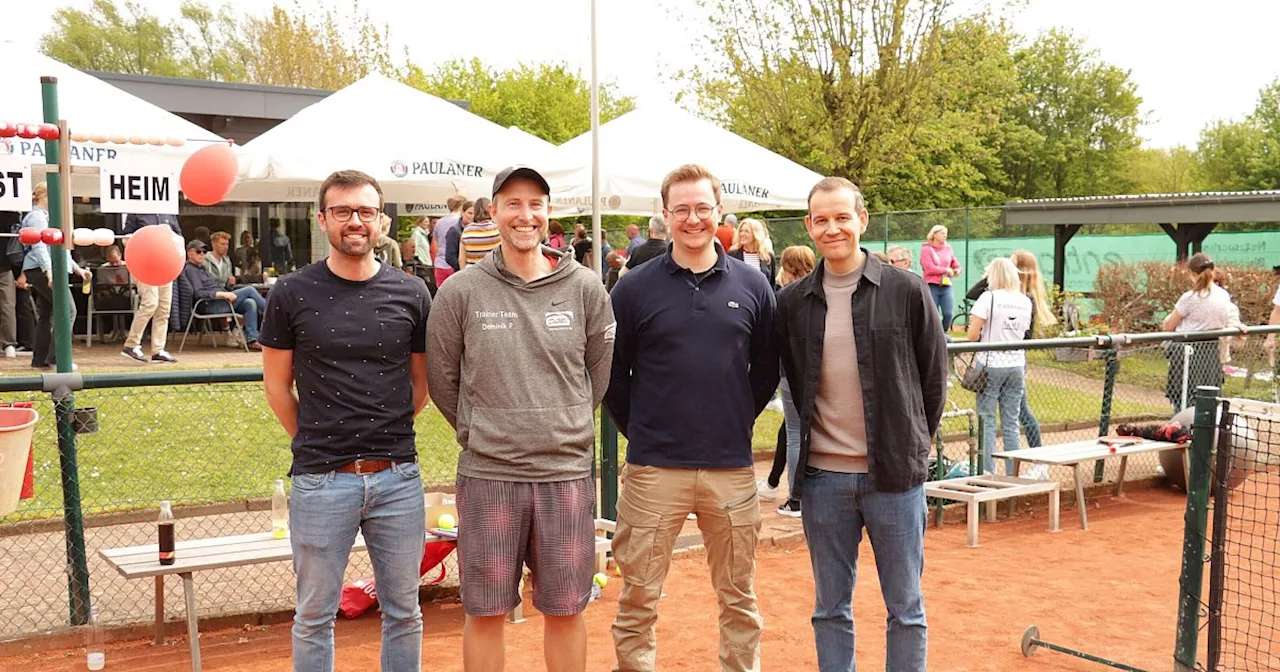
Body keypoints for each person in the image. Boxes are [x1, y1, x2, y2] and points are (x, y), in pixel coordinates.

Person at [427, 166, 615, 672]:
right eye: (513, 203)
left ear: (549, 213)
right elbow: (443, 381)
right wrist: (479, 429)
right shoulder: (461, 292)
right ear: (493, 211)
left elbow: (597, 374)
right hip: (490, 475)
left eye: (536, 204)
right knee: (486, 611)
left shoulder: (585, 288)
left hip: (565, 476)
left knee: (566, 609)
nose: (525, 214)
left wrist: (564, 422)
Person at [606, 164, 778, 672]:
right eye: (681, 209)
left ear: (719, 212)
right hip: (654, 469)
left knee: (739, 597)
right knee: (638, 598)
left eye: (703, 207)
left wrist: (736, 419)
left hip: (730, 467)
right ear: (664, 216)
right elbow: (614, 375)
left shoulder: (752, 284)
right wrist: (643, 428)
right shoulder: (634, 288)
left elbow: (766, 365)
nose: (693, 218)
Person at [259, 170, 431, 671]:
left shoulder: (413, 293)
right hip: (320, 479)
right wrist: (314, 439)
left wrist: (386, 432)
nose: (354, 221)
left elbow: (421, 385)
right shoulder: (290, 292)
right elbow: (276, 386)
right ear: (322, 219)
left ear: (382, 221)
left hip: (398, 478)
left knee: (404, 611)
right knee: (314, 615)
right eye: (342, 211)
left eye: (365, 211)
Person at [775, 176, 946, 671]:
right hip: (824, 481)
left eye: (842, 217)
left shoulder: (907, 290)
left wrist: (911, 446)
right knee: (830, 609)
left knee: (906, 609)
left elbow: (933, 381)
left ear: (861, 220)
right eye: (822, 220)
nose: (833, 228)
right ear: (809, 226)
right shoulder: (791, 304)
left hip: (894, 479)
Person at [756, 245, 817, 517]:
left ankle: (796, 499)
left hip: (790, 372)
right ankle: (801, 496)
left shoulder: (785, 297)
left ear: (788, 267)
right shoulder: (821, 291)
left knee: (795, 434)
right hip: (815, 373)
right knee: (806, 433)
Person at [968, 258, 1033, 474]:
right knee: (1011, 421)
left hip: (990, 363)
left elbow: (972, 334)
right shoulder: (1025, 300)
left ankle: (987, 472)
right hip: (1016, 364)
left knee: (987, 420)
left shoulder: (988, 298)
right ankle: (1012, 473)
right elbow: (1023, 331)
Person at [1161, 253, 1246, 412]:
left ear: (1192, 273)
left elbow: (1168, 325)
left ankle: (1182, 428)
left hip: (1186, 353)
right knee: (1208, 396)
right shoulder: (1224, 296)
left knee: (1183, 397)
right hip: (1211, 352)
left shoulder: (1189, 297)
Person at [20, 183, 91, 369]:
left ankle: (40, 359)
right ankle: (58, 357)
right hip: (43, 269)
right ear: (45, 197)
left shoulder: (45, 217)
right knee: (68, 310)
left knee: (47, 314)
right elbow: (40, 246)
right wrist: (49, 271)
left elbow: (59, 250)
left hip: (40, 269)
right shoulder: (38, 217)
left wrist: (77, 270)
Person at [180, 240, 264, 351]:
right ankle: (274, 312)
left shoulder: (201, 269)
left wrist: (228, 287)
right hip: (209, 304)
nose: (202, 254)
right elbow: (198, 293)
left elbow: (217, 288)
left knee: (250, 303)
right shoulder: (191, 270)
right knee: (249, 290)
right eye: (198, 251)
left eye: (204, 252)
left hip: (219, 301)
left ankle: (252, 340)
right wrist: (222, 294)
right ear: (190, 253)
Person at [920, 225, 962, 330]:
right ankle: (933, 334)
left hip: (946, 286)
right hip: (931, 286)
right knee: (932, 314)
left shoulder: (948, 248)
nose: (945, 236)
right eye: (942, 233)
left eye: (946, 234)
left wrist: (957, 270)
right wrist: (945, 270)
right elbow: (928, 268)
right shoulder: (926, 249)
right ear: (934, 234)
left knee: (948, 313)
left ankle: (943, 334)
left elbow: (955, 264)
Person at [729, 218, 777, 288]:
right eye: (741, 231)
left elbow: (772, 284)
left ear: (756, 234)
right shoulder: (733, 254)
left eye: (746, 231)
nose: (742, 234)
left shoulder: (768, 256)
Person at [433, 195, 465, 287]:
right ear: (462, 207)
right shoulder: (459, 222)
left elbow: (435, 243)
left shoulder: (439, 222)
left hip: (439, 264)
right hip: (455, 264)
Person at [459, 197, 499, 268]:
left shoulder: (467, 230)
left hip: (472, 272)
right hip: (493, 271)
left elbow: (461, 259)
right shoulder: (497, 229)